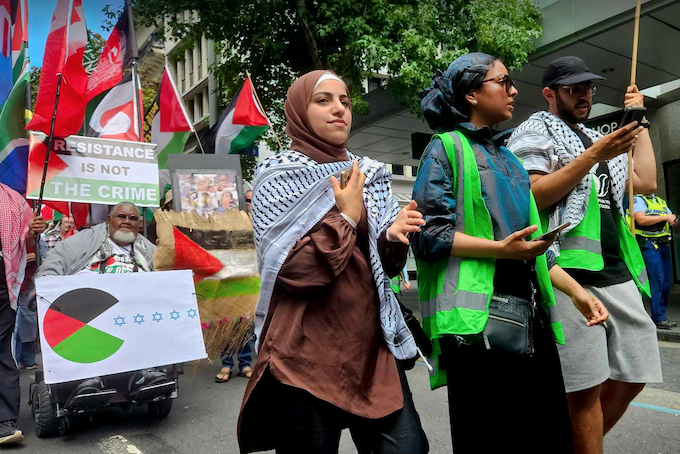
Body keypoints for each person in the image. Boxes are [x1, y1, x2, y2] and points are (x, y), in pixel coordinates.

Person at [412, 52, 609, 454]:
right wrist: (501, 249)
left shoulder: (512, 162)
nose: (514, 90)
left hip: (531, 320)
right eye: (504, 82)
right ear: (471, 93)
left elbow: (536, 250)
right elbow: (428, 236)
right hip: (474, 327)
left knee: (549, 434)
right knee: (489, 438)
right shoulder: (444, 149)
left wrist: (578, 293)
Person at [238, 70, 429, 454]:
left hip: (372, 349)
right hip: (302, 356)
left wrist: (392, 238)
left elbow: (384, 268)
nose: (339, 109)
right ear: (298, 111)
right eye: (323, 100)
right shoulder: (274, 177)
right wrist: (343, 217)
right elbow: (294, 272)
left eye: (344, 100)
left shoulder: (369, 174)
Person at [507, 56, 662, 454]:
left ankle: (566, 443)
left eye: (588, 87)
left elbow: (644, 180)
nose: (584, 95)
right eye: (573, 88)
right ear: (549, 93)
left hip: (615, 270)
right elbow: (531, 195)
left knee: (637, 367)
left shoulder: (591, 137)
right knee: (584, 390)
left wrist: (638, 120)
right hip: (568, 271)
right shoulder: (533, 130)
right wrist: (593, 157)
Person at [0, 183, 46, 445]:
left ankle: (5, 421)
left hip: (2, 288)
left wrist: (35, 229)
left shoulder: (11, 199)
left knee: (1, 349)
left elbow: (28, 235)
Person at [630, 193, 676, 329]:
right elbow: (641, 219)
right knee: (657, 280)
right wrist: (664, 217)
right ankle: (658, 318)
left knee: (666, 281)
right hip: (649, 244)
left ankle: (661, 315)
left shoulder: (660, 201)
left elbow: (671, 216)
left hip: (664, 244)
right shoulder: (638, 200)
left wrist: (672, 218)